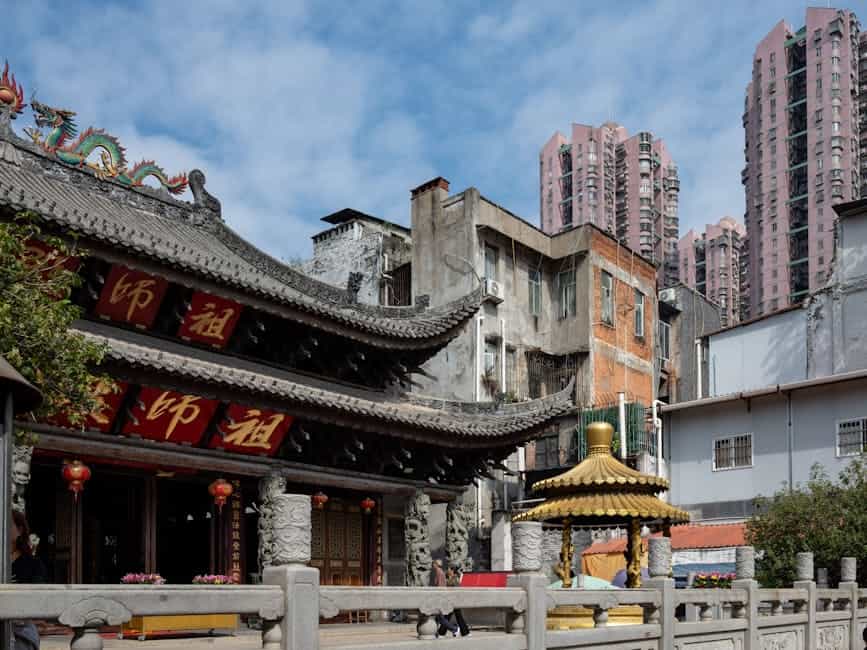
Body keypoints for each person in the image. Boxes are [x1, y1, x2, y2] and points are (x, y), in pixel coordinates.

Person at [10, 511, 44, 650]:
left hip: (20, 628)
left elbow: (39, 600)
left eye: (6, 523)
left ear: (19, 530)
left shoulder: (33, 564)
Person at [431, 559, 457, 638]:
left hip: (439, 597)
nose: (432, 565)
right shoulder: (440, 572)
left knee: (440, 617)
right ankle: (435, 633)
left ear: (436, 564)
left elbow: (440, 586)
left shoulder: (439, 572)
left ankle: (454, 629)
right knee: (437, 617)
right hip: (440, 597)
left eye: (433, 564)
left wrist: (437, 596)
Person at [445, 566, 470, 637]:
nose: (447, 571)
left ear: (452, 570)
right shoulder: (450, 578)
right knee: (450, 617)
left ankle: (463, 631)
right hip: (451, 601)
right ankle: (465, 632)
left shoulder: (454, 579)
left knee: (449, 617)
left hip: (454, 601)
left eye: (448, 569)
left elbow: (457, 590)